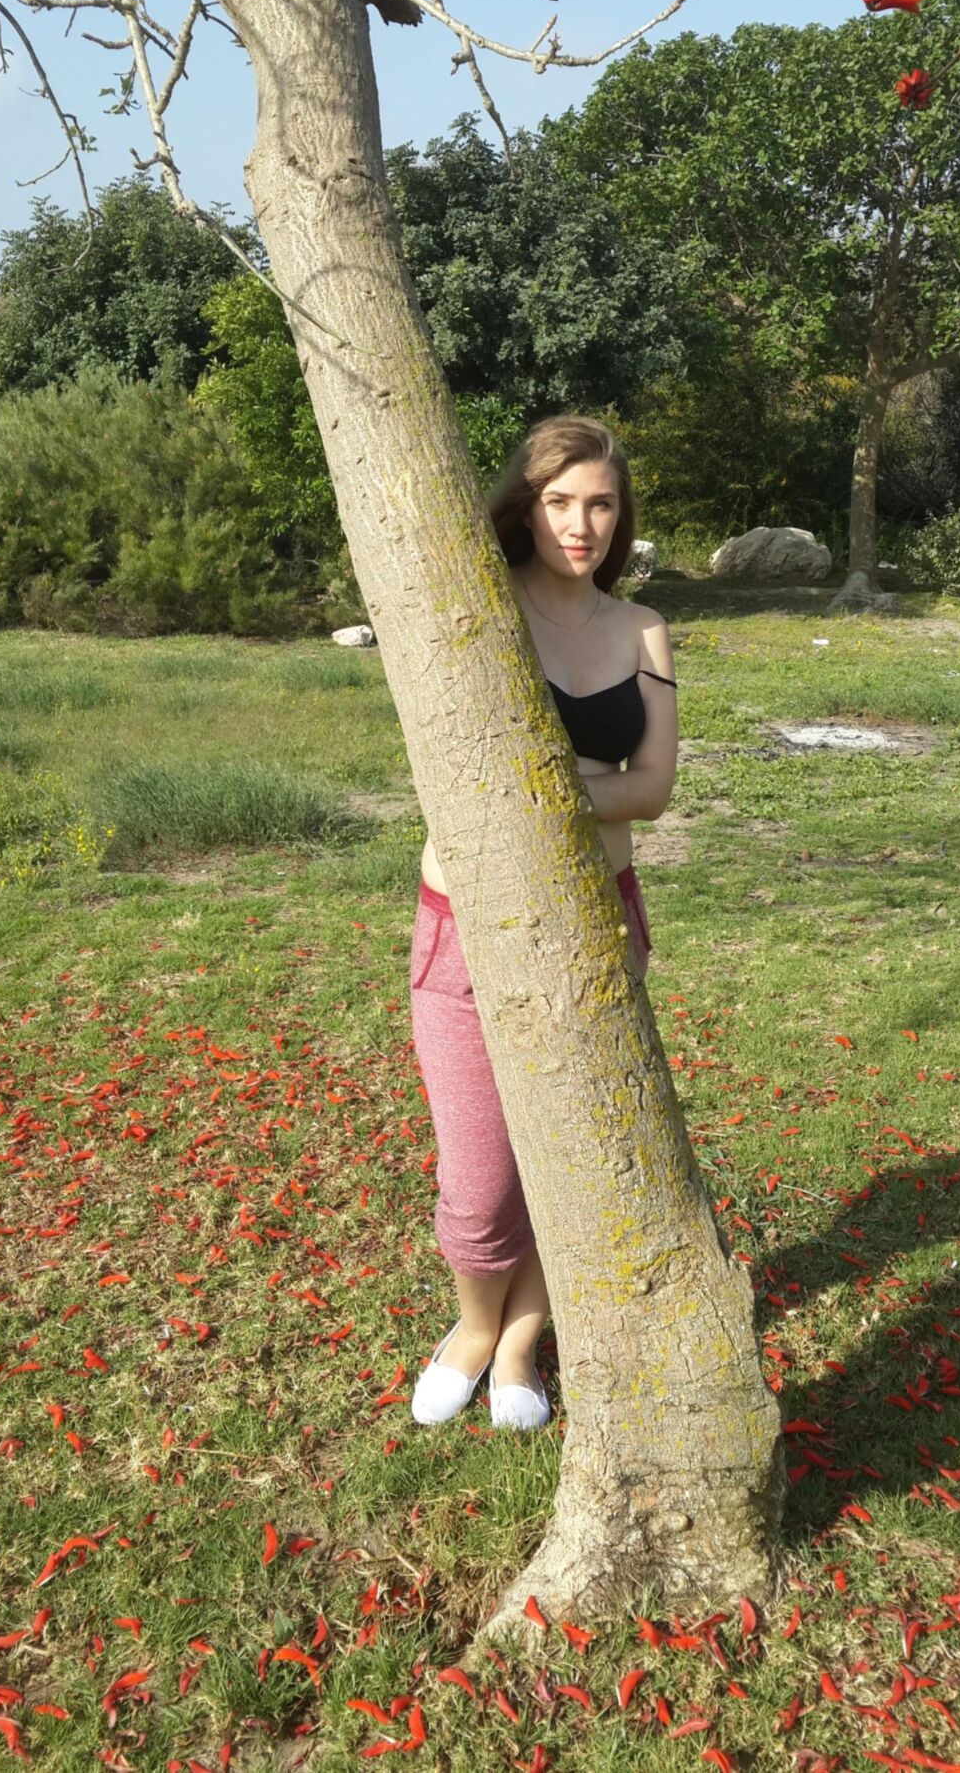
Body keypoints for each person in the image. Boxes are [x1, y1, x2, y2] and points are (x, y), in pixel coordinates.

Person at [407, 414, 679, 1431]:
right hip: (469, 922)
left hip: (600, 919)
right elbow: (460, 772)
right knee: (479, 1182)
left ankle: (523, 1337)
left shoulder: (639, 627)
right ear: (525, 503)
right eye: (560, 500)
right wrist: (578, 778)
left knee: (569, 1157)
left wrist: (537, 783)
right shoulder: (480, 609)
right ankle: (472, 1323)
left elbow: (650, 787)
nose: (582, 522)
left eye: (600, 502)